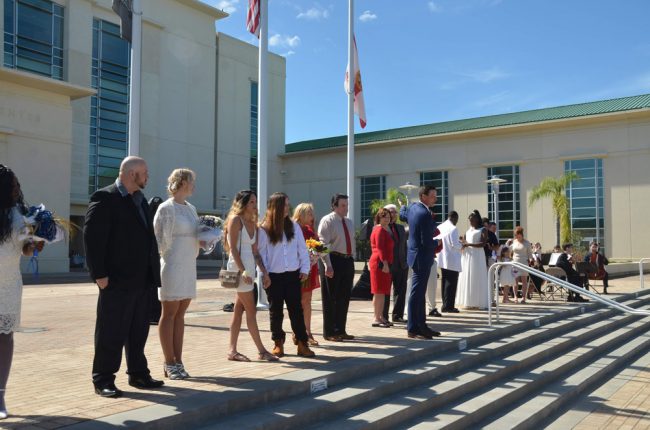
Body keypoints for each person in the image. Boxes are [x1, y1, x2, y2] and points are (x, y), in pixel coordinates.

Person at [84, 156, 164, 398]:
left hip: (142, 280)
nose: (148, 176)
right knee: (111, 331)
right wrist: (99, 275)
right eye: (145, 172)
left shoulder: (140, 201)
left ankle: (138, 374)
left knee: (138, 330)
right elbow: (92, 238)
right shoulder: (105, 197)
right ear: (132, 174)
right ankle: (103, 379)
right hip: (116, 280)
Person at [0, 165, 44, 418]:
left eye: (17, 185)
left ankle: (0, 396)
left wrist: (36, 244)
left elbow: (26, 249)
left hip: (8, 285)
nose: (17, 189)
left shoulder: (19, 213)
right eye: (12, 185)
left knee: (4, 338)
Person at [153, 169, 200, 379]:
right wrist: (167, 258)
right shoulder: (166, 208)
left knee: (181, 315)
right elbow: (158, 237)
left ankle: (178, 361)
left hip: (189, 265)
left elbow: (197, 233)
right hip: (172, 265)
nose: (194, 185)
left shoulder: (191, 209)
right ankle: (168, 361)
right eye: (191, 181)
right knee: (169, 313)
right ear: (182, 183)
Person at [223, 190, 278, 362]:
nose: (255, 205)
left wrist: (264, 272)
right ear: (244, 203)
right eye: (252, 202)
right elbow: (233, 249)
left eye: (255, 201)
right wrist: (243, 271)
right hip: (239, 270)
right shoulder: (235, 220)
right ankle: (261, 351)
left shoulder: (253, 223)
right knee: (251, 311)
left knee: (238, 311)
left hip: (249, 270)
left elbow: (255, 252)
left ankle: (232, 351)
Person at [258, 192, 315, 358]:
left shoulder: (293, 226)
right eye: (284, 205)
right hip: (273, 276)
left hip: (292, 275)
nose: (287, 208)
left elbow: (302, 250)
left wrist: (305, 269)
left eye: (288, 205)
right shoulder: (264, 228)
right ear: (275, 206)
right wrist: (264, 275)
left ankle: (302, 343)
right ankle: (278, 343)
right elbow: (262, 255)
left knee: (296, 310)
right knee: (275, 311)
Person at [399, 185, 440, 339]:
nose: (435, 198)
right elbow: (426, 242)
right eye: (432, 196)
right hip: (422, 257)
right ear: (423, 196)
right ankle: (413, 328)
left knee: (419, 292)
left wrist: (402, 206)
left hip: (416, 256)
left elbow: (403, 215)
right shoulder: (424, 213)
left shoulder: (414, 208)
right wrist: (438, 242)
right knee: (417, 293)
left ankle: (421, 325)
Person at [318, 194, 356, 342]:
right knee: (330, 297)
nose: (346, 208)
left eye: (347, 205)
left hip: (347, 261)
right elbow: (323, 244)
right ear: (334, 206)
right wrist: (328, 264)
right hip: (332, 259)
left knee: (344, 297)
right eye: (343, 205)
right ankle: (329, 332)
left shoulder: (349, 222)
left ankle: (340, 329)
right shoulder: (327, 221)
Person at [292, 203, 321, 346]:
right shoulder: (294, 229)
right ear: (301, 214)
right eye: (309, 213)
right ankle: (298, 332)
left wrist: (319, 250)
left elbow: (318, 245)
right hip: (297, 271)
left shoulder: (310, 230)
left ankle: (308, 332)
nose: (312, 216)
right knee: (298, 302)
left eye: (312, 213)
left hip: (310, 269)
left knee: (307, 301)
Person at [457, 210, 489, 309]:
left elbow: (483, 244)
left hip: (477, 256)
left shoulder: (483, 229)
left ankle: (477, 302)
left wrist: (469, 244)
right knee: (468, 277)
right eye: (469, 220)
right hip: (468, 256)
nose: (470, 222)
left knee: (476, 277)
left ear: (477, 219)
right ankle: (469, 302)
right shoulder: (468, 230)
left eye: (472, 220)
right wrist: (463, 244)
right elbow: (465, 241)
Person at [384, 204, 408, 324]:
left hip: (401, 264)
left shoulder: (400, 228)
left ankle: (397, 315)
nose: (393, 214)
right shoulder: (382, 228)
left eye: (395, 212)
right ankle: (383, 316)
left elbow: (404, 246)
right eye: (391, 212)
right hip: (388, 265)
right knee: (385, 292)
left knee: (400, 291)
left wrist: (406, 261)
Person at [369, 208, 394, 328]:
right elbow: (380, 248)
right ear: (379, 218)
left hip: (384, 262)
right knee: (378, 291)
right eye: (384, 216)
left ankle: (381, 316)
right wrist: (384, 263)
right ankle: (376, 317)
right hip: (379, 263)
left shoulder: (383, 229)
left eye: (388, 217)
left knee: (383, 291)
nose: (387, 219)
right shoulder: (379, 230)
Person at [438, 211, 462, 313]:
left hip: (442, 258)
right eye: (457, 220)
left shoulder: (440, 226)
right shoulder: (453, 228)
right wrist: (462, 244)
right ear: (454, 218)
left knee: (445, 282)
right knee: (451, 283)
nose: (457, 222)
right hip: (452, 259)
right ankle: (449, 306)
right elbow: (455, 244)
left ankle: (444, 305)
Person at [426, 217, 444, 317]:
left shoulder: (435, 230)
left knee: (432, 286)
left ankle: (432, 308)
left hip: (431, 259)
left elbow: (440, 246)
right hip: (420, 261)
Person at [511, 226, 534, 303]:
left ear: (521, 234)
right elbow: (511, 252)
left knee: (524, 281)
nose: (517, 236)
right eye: (515, 235)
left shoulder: (527, 243)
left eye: (518, 235)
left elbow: (530, 254)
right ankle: (515, 296)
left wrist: (531, 260)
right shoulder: (514, 241)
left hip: (524, 263)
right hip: (515, 263)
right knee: (515, 281)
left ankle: (524, 297)